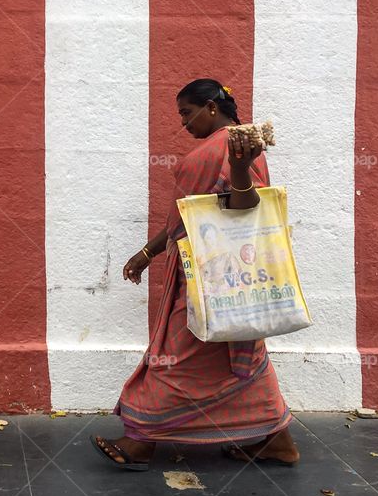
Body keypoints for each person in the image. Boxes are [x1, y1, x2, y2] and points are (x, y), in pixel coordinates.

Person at [91, 78, 299, 471]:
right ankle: (279, 441)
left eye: (187, 113)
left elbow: (246, 205)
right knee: (241, 358)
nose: (184, 124)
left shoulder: (236, 144)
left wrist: (239, 167)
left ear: (211, 108)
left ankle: (141, 442)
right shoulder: (218, 146)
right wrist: (148, 252)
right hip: (202, 272)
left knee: (174, 358)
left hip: (217, 277)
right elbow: (187, 213)